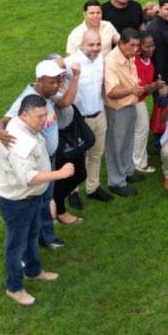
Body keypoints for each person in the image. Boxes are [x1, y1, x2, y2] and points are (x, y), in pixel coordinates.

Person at [0, 94, 74, 306]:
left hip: (31, 197)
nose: (43, 121)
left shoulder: (22, 124)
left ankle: (33, 271)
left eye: (44, 116)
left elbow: (3, 121)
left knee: (32, 235)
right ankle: (15, 288)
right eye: (39, 117)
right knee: (16, 244)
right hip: (17, 201)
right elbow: (28, 177)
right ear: (24, 115)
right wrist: (60, 173)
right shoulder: (19, 140)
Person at [0, 58, 80, 250]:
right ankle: (44, 238)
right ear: (39, 80)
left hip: (48, 157)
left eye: (58, 80)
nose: (57, 85)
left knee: (44, 199)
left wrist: (75, 77)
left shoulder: (48, 94)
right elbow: (4, 121)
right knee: (41, 201)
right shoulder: (27, 99)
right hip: (36, 162)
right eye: (52, 82)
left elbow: (66, 101)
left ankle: (43, 236)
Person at [64, 29, 114, 209]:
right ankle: (72, 191)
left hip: (99, 115)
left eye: (98, 44)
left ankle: (93, 188)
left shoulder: (100, 59)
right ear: (81, 45)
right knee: (77, 156)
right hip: (78, 120)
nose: (95, 48)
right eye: (91, 44)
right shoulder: (70, 64)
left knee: (96, 154)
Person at [103, 28, 146, 197]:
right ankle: (116, 182)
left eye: (138, 45)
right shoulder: (112, 61)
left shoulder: (128, 55)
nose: (136, 50)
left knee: (127, 140)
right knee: (115, 145)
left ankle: (128, 172)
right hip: (116, 109)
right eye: (132, 45)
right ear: (121, 43)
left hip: (129, 105)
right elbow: (111, 92)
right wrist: (132, 90)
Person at [132, 31, 159, 174]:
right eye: (147, 46)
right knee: (142, 129)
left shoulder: (149, 61)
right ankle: (139, 162)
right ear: (139, 47)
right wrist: (155, 86)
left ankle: (136, 157)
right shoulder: (136, 62)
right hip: (134, 100)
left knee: (139, 129)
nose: (151, 49)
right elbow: (141, 89)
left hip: (139, 100)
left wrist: (152, 86)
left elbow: (146, 89)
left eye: (152, 45)